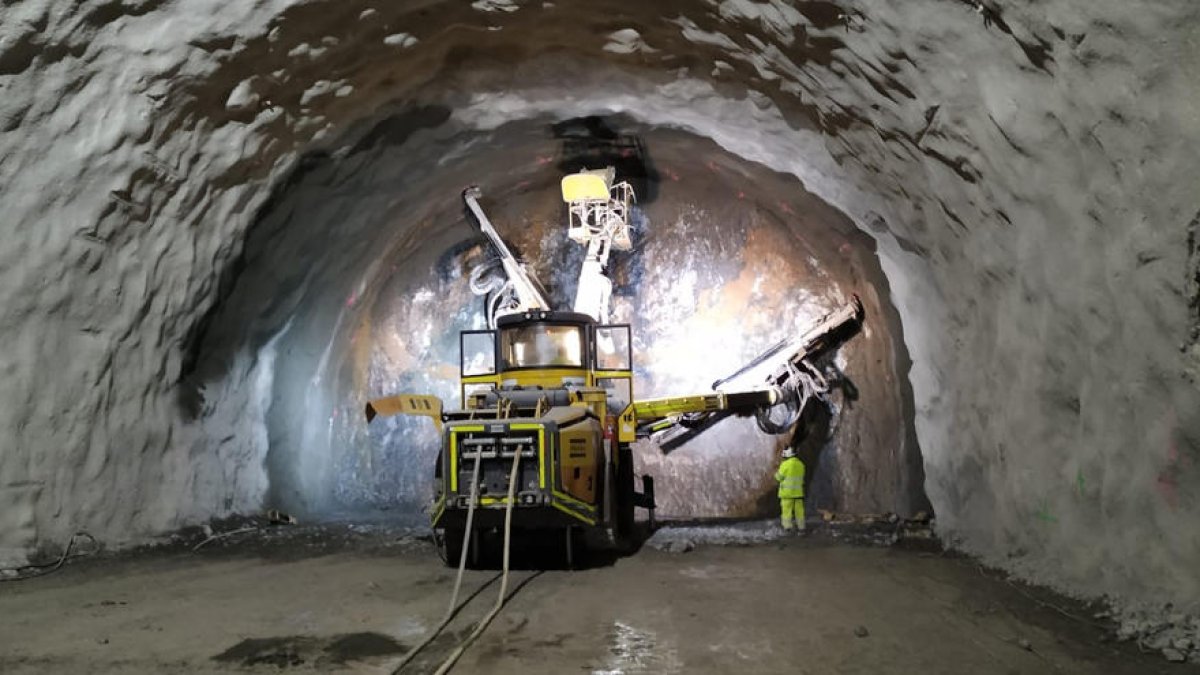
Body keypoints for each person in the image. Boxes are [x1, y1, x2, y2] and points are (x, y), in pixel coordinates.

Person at [775, 448, 806, 533]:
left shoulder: (785, 465)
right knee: (799, 512)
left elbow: (779, 478)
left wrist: (776, 474)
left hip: (787, 494)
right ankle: (801, 527)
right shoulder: (801, 464)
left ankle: (787, 528)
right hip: (798, 493)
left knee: (787, 512)